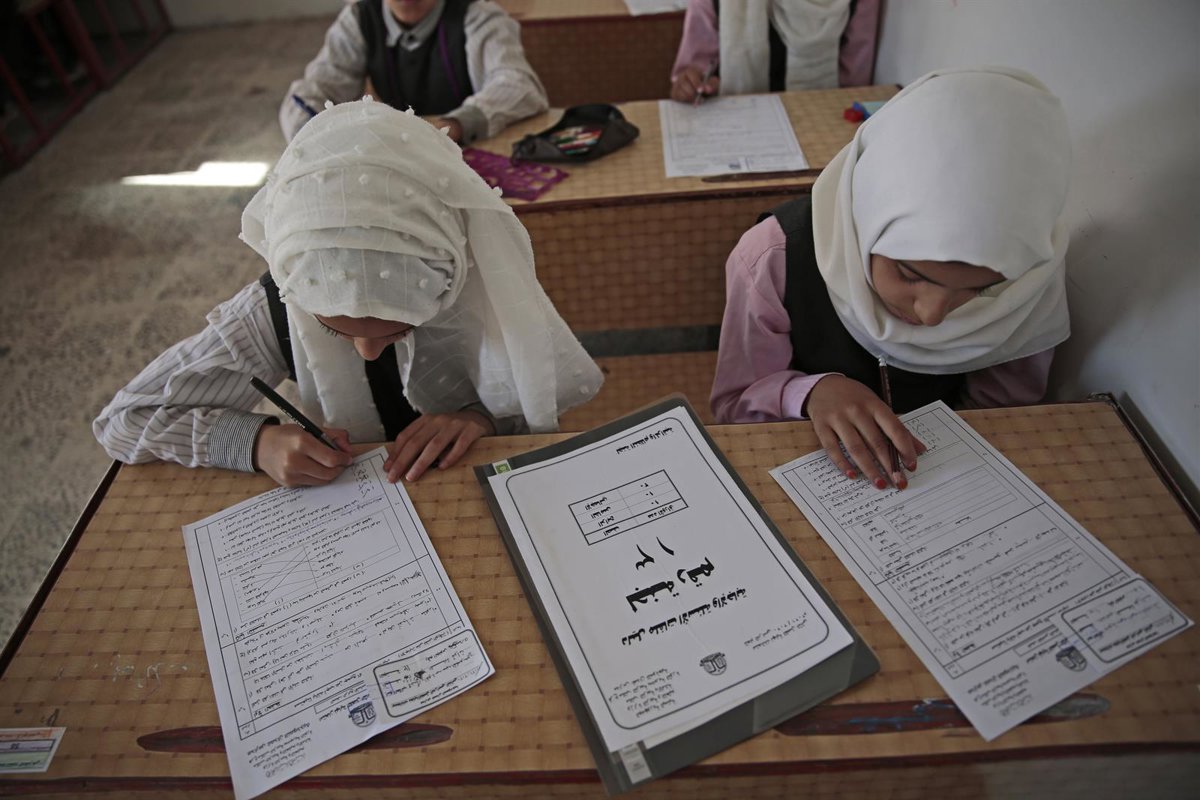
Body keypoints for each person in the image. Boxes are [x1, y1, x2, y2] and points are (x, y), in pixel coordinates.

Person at [95, 98, 602, 487]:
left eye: (400, 329)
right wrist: (258, 443)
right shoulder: (282, 304)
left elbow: (538, 404)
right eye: (334, 329)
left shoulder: (477, 283)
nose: (368, 352)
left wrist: (482, 418)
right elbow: (125, 419)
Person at [710, 67, 1072, 490]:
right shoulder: (773, 258)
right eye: (909, 274)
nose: (932, 315)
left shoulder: (1028, 277)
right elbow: (735, 405)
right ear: (867, 214)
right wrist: (809, 393)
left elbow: (1006, 411)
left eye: (981, 290)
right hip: (809, 465)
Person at [280, 0, 548, 145]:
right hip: (401, 152)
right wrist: (316, 137)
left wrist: (455, 125)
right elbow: (316, 89)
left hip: (466, 151)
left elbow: (518, 86)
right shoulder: (360, 17)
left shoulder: (477, 15)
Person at [669, 0, 880, 104]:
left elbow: (855, 90)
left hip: (820, 130)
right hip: (733, 125)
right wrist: (691, 86)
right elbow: (691, 74)